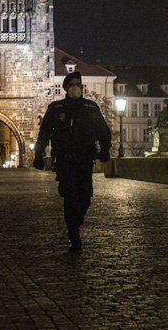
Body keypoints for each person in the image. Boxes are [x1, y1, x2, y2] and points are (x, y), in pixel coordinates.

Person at [33, 71, 112, 251]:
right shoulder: (56, 108)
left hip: (85, 160)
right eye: (72, 85)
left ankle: (74, 226)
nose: (76, 87)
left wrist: (105, 149)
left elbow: (103, 131)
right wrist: (38, 155)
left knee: (85, 199)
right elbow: (44, 133)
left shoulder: (90, 107)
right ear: (66, 88)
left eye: (78, 84)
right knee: (70, 198)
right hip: (65, 161)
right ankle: (73, 234)